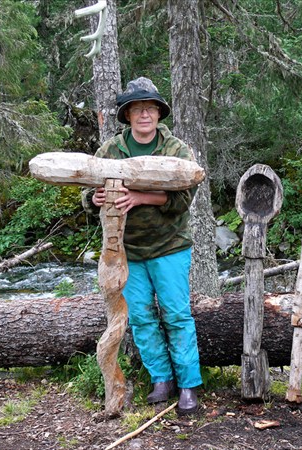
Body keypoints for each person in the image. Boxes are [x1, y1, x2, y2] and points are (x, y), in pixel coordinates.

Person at [83, 77, 202, 415]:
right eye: (138, 110)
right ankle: (161, 379)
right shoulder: (110, 151)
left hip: (170, 248)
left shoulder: (176, 150)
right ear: (128, 115)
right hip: (127, 252)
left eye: (150, 109)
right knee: (141, 317)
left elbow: (183, 199)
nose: (144, 115)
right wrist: (95, 197)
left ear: (159, 114)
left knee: (177, 315)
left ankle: (189, 385)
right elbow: (86, 195)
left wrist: (138, 197)